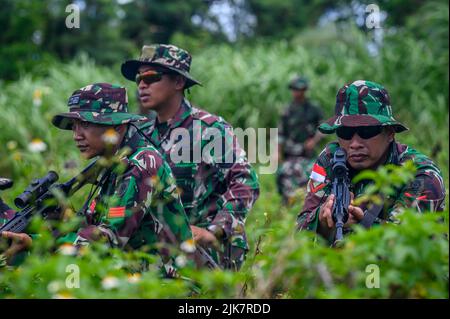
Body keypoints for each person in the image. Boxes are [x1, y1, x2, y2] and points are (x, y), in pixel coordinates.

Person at [0, 83, 193, 272]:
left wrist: (36, 244)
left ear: (117, 126)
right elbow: (91, 226)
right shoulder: (113, 164)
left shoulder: (142, 163)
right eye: (74, 126)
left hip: (167, 281)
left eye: (85, 124)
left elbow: (107, 239)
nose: (76, 135)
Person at [121, 44, 260, 270]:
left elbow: (246, 182)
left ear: (178, 82)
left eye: (151, 77)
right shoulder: (140, 134)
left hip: (206, 252)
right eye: (138, 79)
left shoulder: (209, 129)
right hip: (156, 251)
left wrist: (214, 231)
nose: (142, 85)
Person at [297, 80, 445, 245]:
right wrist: (322, 220)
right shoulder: (332, 159)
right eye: (345, 132)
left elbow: (409, 244)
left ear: (390, 133)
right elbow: (298, 234)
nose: (354, 143)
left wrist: (365, 224)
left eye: (366, 131)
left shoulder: (420, 173)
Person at [277, 75, 323, 205]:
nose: (298, 92)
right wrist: (278, 153)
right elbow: (280, 134)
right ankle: (287, 205)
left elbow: (322, 128)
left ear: (305, 90)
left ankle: (309, 206)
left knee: (311, 179)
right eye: (295, 89)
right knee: (283, 176)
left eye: (301, 89)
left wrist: (314, 140)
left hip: (308, 154)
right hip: (290, 154)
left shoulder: (313, 109)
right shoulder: (287, 110)